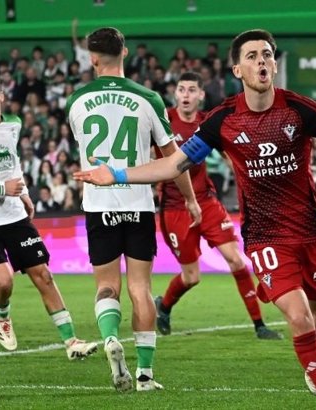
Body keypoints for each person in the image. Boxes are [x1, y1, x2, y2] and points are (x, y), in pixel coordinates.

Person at [74, 29, 316, 410]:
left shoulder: (300, 108)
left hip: (310, 233)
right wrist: (118, 174)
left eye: (267, 55)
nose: (261, 61)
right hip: (264, 235)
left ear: (274, 66)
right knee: (298, 317)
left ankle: (304, 346)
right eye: (252, 56)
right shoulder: (221, 119)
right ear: (237, 71)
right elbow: (173, 164)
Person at [65, 27, 201, 393]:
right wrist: (189, 199)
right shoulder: (149, 99)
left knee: (107, 287)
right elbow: (174, 158)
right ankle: (144, 375)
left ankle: (110, 337)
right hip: (138, 205)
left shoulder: (76, 101)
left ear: (93, 58)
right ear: (124, 52)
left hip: (98, 206)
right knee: (141, 290)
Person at [0, 69, 98, 360]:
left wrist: (24, 192)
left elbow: (12, 163)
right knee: (4, 282)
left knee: (43, 274)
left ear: (1, 95)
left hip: (13, 213)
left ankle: (71, 342)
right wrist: (3, 188)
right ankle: (2, 315)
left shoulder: (14, 123)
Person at [153, 71, 282, 340]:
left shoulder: (208, 122)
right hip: (175, 208)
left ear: (201, 95)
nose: (185, 95)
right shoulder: (164, 120)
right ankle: (164, 307)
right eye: (181, 89)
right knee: (191, 277)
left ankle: (259, 325)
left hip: (206, 201)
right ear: (175, 94)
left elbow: (231, 156)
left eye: (191, 90)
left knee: (236, 260)